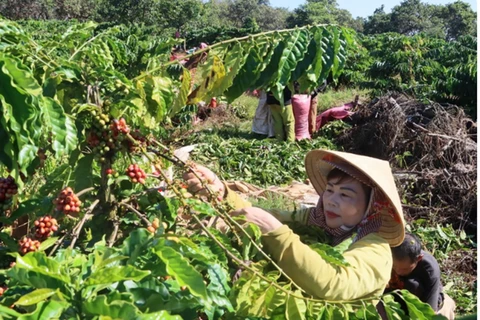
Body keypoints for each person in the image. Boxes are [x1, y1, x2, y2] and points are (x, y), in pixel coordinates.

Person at [183, 149, 406, 301]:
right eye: (330, 191)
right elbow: (268, 215)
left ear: (372, 207)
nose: (331, 200)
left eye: (346, 195)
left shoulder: (375, 249)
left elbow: (335, 282)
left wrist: (276, 233)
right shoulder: (315, 221)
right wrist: (223, 192)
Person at [386, 233, 456, 319]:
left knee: (412, 284)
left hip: (421, 298)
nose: (398, 272)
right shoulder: (387, 258)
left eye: (405, 269)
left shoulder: (430, 270)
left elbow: (430, 312)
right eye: (394, 266)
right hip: (395, 296)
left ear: (418, 259)